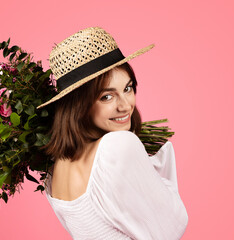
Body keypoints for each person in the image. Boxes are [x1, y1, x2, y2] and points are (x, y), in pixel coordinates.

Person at [37, 27, 188, 240]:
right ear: (79, 106)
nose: (125, 106)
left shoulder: (54, 171)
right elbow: (173, 226)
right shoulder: (117, 147)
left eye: (127, 88)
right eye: (107, 97)